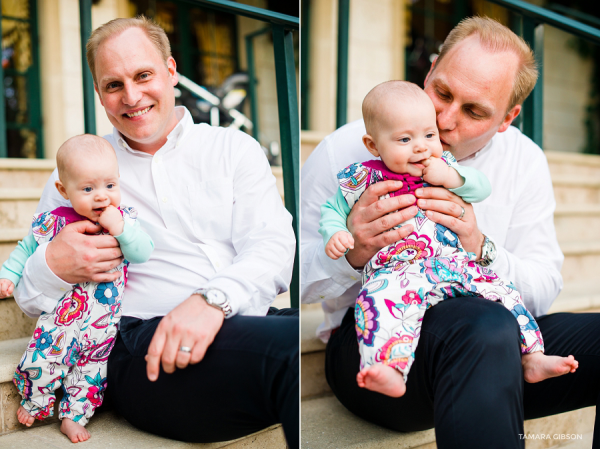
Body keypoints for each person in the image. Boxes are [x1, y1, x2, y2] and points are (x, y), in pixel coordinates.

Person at [302, 16, 600, 448]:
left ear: (508, 118)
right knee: (484, 325)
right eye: (441, 92)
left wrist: (479, 245)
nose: (443, 119)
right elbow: (295, 280)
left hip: (490, 327)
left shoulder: (525, 161)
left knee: (491, 324)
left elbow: (542, 288)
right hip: (372, 341)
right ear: (430, 69)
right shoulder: (347, 150)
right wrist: (353, 252)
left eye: (474, 110)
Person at [12, 16, 298, 448]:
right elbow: (31, 300)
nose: (131, 96)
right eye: (113, 85)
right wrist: (52, 264)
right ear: (99, 93)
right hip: (139, 341)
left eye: (143, 75)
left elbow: (272, 244)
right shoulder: (83, 175)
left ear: (171, 70)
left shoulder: (232, 148)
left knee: (327, 338)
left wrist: (212, 300)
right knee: (290, 357)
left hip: (240, 317)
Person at [319, 80, 577, 398]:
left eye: (429, 135)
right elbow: (332, 209)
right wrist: (337, 233)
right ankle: (389, 368)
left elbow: (481, 187)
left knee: (502, 290)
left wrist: (453, 177)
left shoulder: (444, 166)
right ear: (373, 146)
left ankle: (533, 355)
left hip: (454, 263)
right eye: (404, 139)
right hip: (396, 272)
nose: (421, 147)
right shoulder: (363, 176)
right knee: (378, 303)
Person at [0, 134, 154, 443]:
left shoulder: (125, 222)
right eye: (88, 189)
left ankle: (73, 416)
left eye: (110, 186)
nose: (102, 197)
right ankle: (37, 401)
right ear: (63, 190)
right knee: (42, 358)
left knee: (91, 372)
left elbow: (143, 253)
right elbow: (25, 249)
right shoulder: (54, 223)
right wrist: (9, 275)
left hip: (103, 324)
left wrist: (122, 229)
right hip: (59, 320)